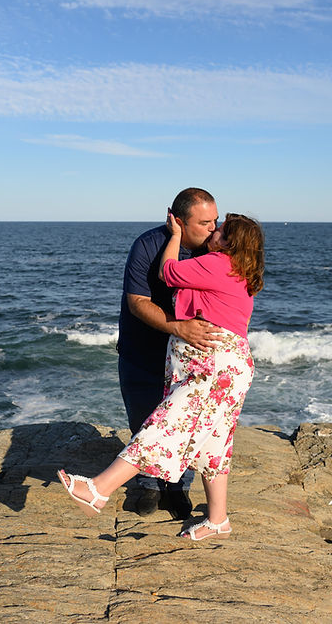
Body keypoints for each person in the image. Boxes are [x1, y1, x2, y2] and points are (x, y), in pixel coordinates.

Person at [59, 212, 265, 540]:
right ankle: (218, 520)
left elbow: (169, 273)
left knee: (165, 426)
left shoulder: (218, 262)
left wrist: (174, 236)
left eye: (221, 229)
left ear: (231, 243)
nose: (214, 230)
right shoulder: (236, 270)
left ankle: (99, 488)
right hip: (225, 364)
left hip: (213, 367)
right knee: (215, 444)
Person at [116, 188, 223, 518]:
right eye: (204, 222)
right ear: (178, 221)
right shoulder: (147, 245)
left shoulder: (215, 251)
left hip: (191, 354)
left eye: (215, 221)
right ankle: (149, 483)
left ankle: (178, 486)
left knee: (189, 421)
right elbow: (137, 302)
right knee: (145, 417)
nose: (212, 229)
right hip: (141, 348)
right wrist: (179, 326)